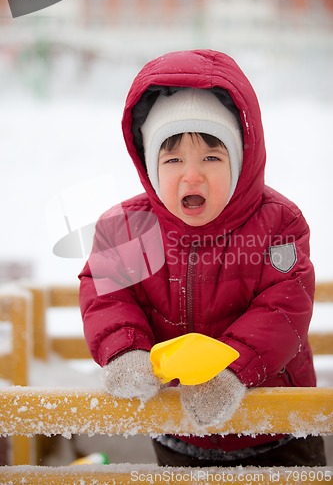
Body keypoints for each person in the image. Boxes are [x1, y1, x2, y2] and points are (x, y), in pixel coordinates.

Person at [79, 49, 326, 467]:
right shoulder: (128, 228)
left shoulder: (278, 223)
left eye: (212, 157)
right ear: (150, 166)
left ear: (242, 160)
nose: (192, 175)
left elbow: (284, 307)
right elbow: (108, 296)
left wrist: (230, 371)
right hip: (178, 431)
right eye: (173, 159)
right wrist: (126, 352)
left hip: (276, 428)